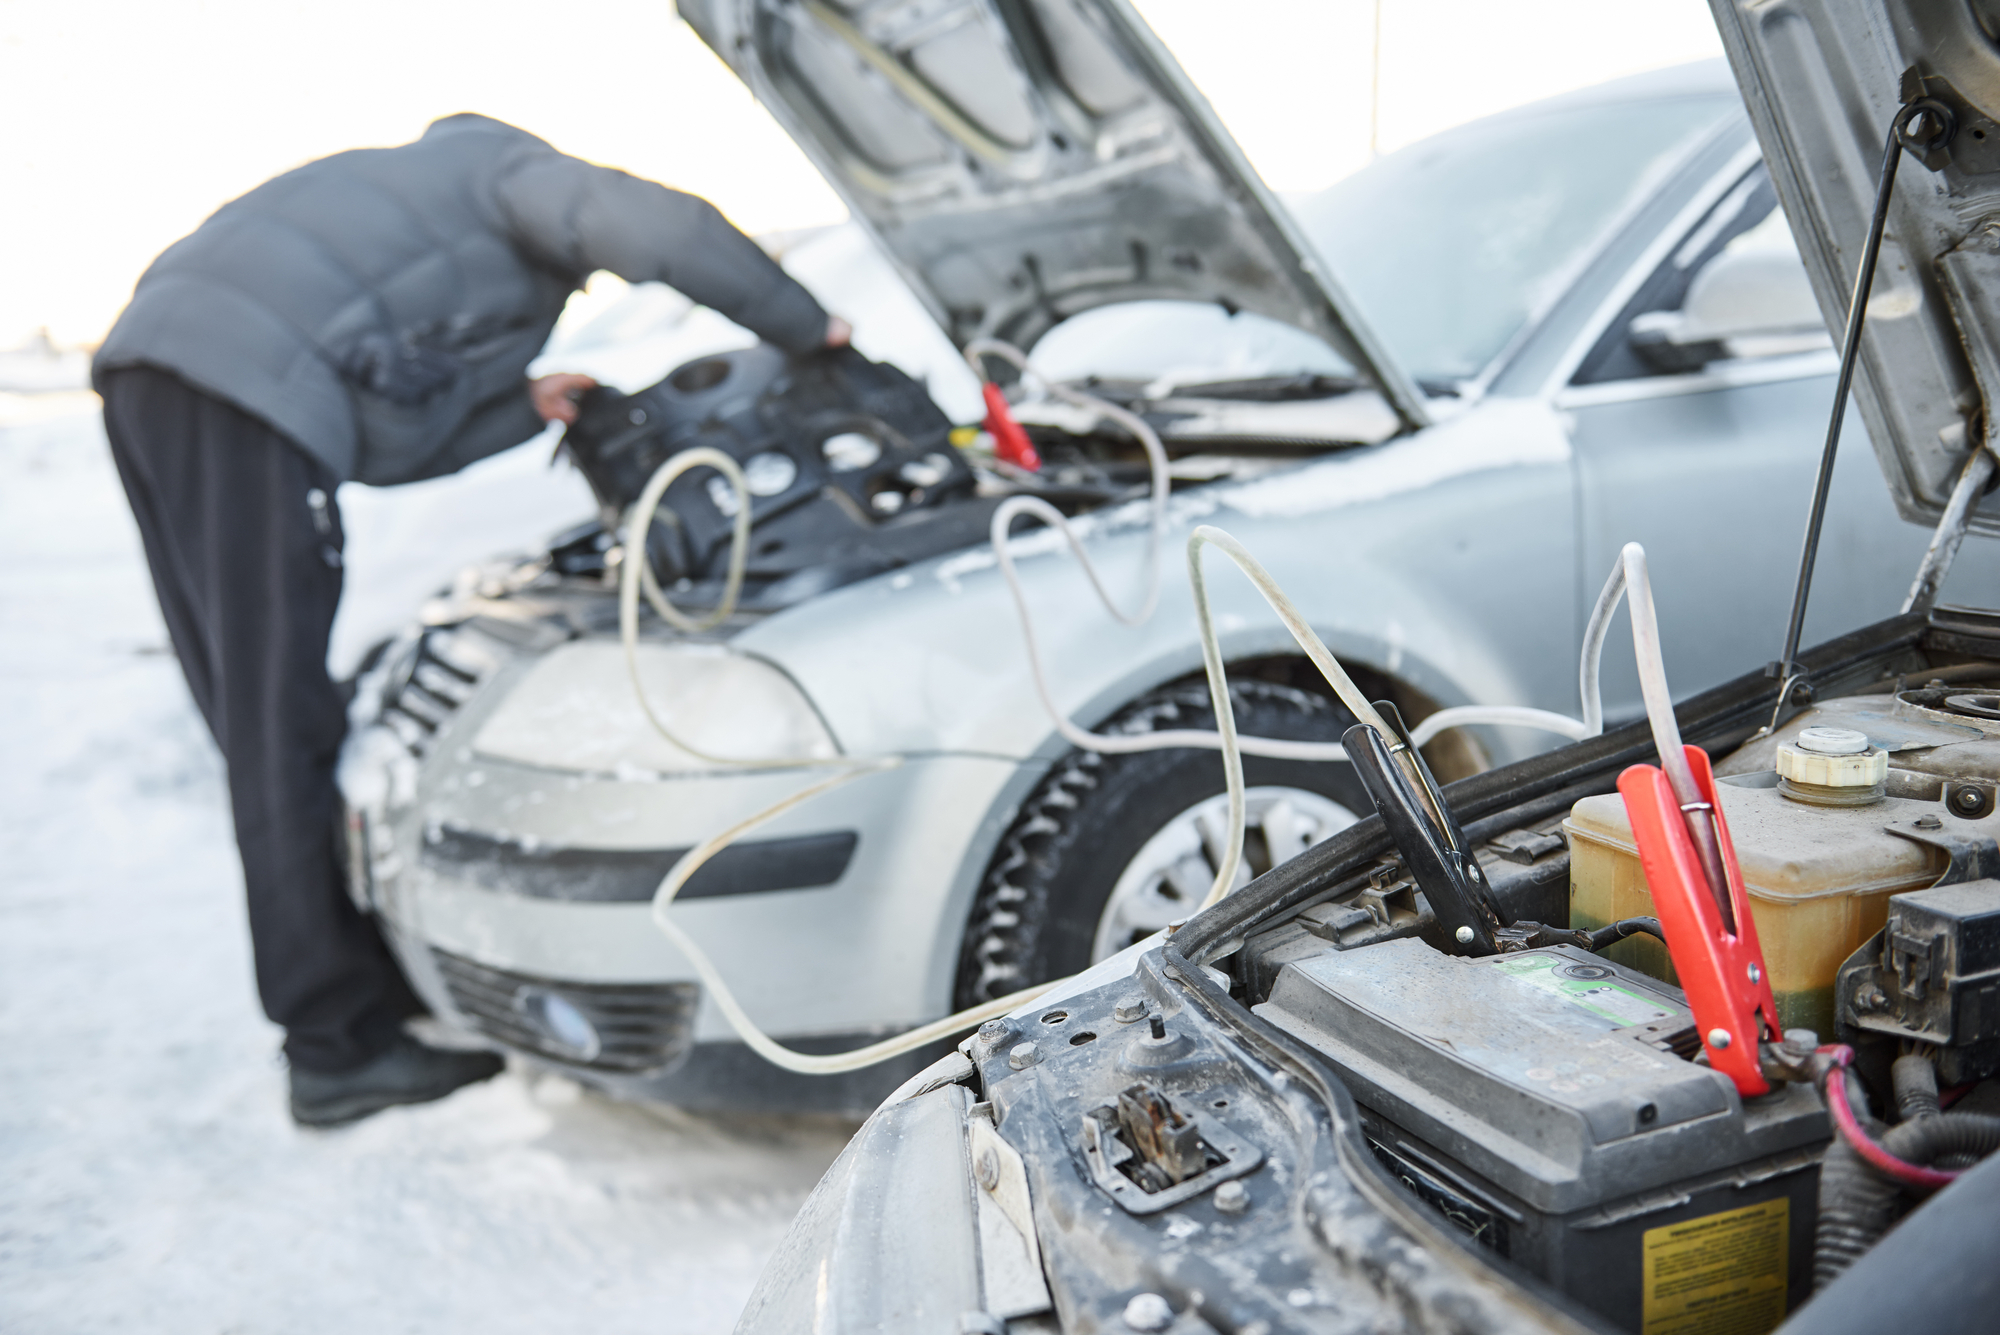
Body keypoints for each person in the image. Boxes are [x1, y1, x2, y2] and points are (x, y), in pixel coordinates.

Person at [92, 113, 849, 1128]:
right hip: (234, 386)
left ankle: (350, 990)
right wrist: (807, 327)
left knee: (261, 713)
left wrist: (513, 404)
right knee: (279, 724)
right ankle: (332, 1045)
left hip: (158, 369)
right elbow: (660, 228)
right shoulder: (504, 171)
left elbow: (377, 426)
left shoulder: (408, 207)